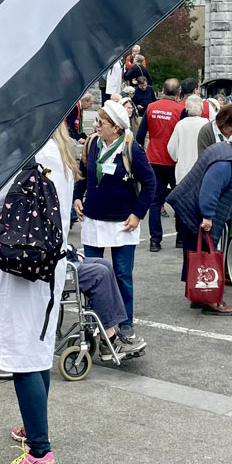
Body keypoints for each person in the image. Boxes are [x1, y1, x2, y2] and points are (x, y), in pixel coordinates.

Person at [0, 126, 77, 464]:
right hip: (48, 262)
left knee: (22, 355)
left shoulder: (29, 158)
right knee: (38, 347)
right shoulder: (61, 154)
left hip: (24, 265)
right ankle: (34, 426)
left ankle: (39, 452)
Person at [74, 99, 154, 355]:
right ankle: (96, 324)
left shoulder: (132, 148)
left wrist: (138, 214)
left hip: (122, 223)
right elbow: (83, 175)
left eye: (102, 122)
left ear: (117, 127)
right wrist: (77, 197)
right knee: (91, 277)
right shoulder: (92, 144)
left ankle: (125, 324)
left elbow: (150, 183)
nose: (96, 125)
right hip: (93, 220)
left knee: (122, 276)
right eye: (97, 120)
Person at [167, 128, 232, 317]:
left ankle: (198, 296)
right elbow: (210, 190)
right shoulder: (227, 162)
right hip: (196, 209)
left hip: (188, 203)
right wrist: (208, 216)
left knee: (195, 252)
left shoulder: (223, 149)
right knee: (206, 253)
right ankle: (210, 301)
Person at [135, 78, 183, 250]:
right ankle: (180, 238)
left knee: (155, 201)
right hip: (174, 160)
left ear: (162, 90)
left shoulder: (151, 107)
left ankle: (155, 240)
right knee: (179, 199)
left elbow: (140, 136)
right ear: (178, 93)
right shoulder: (180, 110)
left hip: (153, 158)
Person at [166, 94, 209, 183]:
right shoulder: (207, 124)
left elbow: (171, 148)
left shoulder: (180, 124)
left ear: (186, 110)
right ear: (202, 109)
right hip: (202, 171)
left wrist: (178, 158)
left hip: (183, 172)